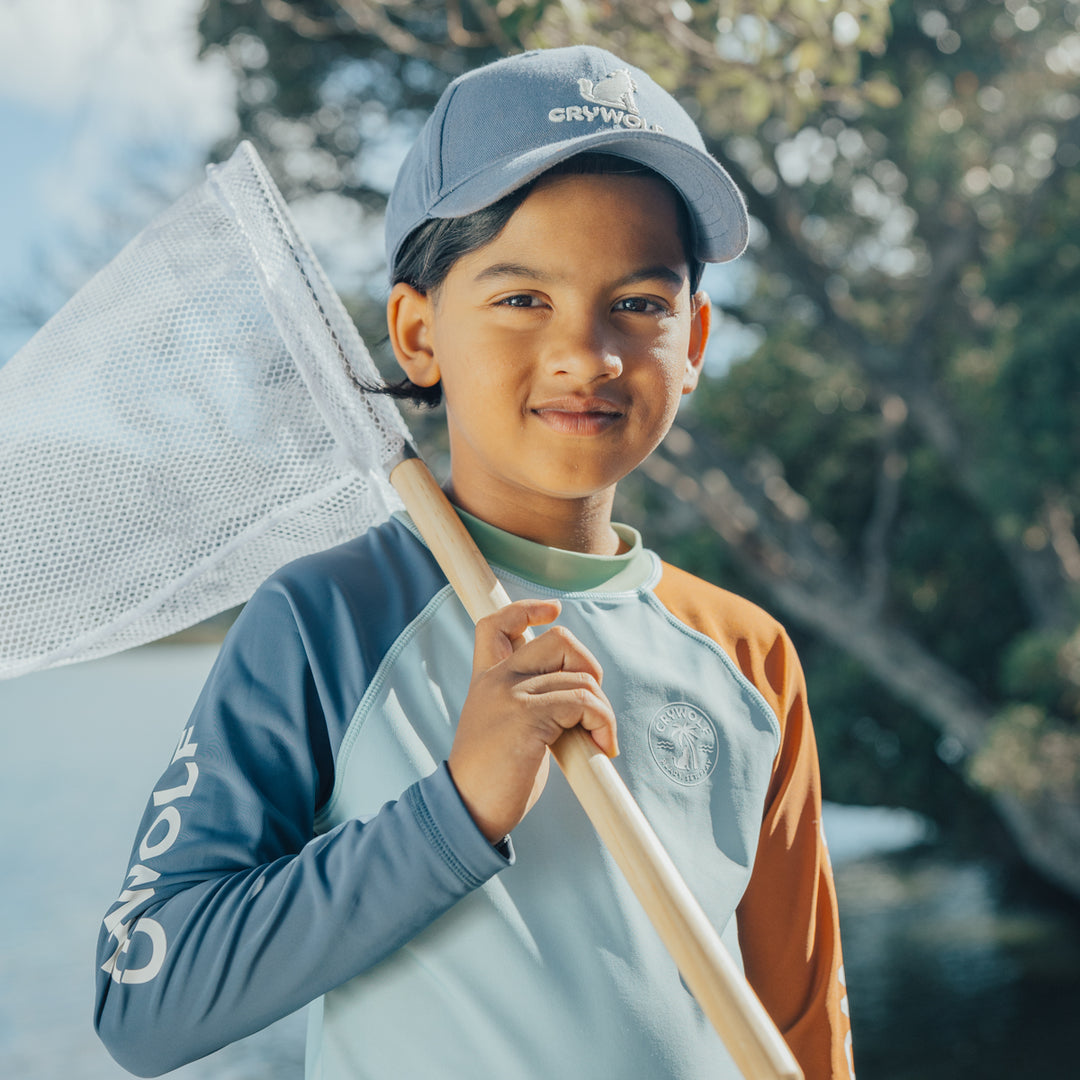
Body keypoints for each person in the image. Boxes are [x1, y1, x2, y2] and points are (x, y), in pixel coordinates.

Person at [95, 45, 854, 1080]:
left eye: (639, 303)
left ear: (697, 340)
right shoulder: (327, 619)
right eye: (521, 299)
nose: (586, 353)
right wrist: (458, 807)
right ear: (416, 332)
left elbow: (803, 1028)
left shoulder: (749, 654)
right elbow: (147, 1000)